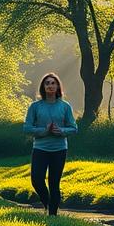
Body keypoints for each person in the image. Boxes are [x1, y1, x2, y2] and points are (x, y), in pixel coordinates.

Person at [22, 72, 77, 215]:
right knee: (37, 180)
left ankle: (53, 215)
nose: (50, 86)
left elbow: (74, 128)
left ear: (58, 86)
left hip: (59, 149)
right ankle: (48, 204)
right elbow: (27, 128)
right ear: (43, 87)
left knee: (54, 183)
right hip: (40, 148)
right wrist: (44, 131)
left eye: (53, 83)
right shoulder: (35, 106)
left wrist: (61, 131)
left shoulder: (65, 106)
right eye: (47, 83)